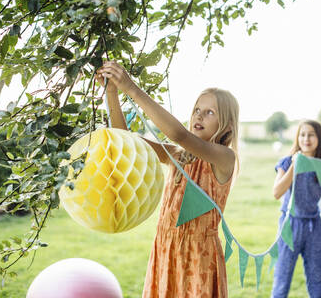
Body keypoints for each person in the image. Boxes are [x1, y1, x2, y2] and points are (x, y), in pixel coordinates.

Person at [96, 61, 239, 298]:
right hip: (165, 251)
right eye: (197, 109)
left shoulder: (224, 158)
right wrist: (112, 92)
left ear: (227, 126)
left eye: (210, 112)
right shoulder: (176, 155)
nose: (199, 115)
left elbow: (179, 134)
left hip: (198, 260)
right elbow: (125, 141)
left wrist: (131, 88)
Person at [271, 119, 321, 298]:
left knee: (316, 284)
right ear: (297, 138)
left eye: (311, 135)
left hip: (313, 227)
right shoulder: (286, 163)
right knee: (281, 281)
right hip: (289, 226)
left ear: (319, 139)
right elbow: (276, 192)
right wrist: (294, 165)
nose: (306, 139)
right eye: (302, 134)